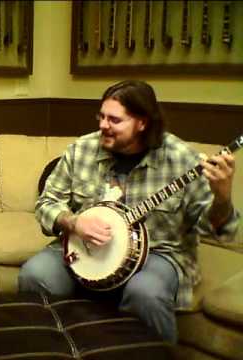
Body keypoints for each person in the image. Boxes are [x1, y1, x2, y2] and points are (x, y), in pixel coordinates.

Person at [19, 80, 239, 344]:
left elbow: (218, 231)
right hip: (83, 246)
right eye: (101, 116)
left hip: (157, 252)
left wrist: (222, 197)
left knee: (145, 293)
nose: (102, 125)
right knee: (35, 275)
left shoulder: (181, 159)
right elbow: (47, 203)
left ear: (142, 123)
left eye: (114, 119)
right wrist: (74, 223)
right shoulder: (82, 149)